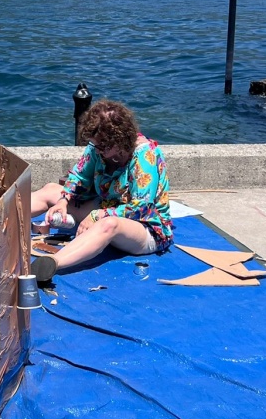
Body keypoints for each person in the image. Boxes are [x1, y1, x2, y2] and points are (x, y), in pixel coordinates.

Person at [29, 99, 172, 283]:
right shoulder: (98, 147)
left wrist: (98, 215)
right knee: (51, 190)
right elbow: (78, 176)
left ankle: (53, 263)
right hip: (105, 207)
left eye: (101, 147)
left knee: (109, 224)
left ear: (118, 141)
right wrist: (63, 201)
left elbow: (140, 208)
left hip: (144, 227)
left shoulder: (145, 156)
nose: (96, 150)